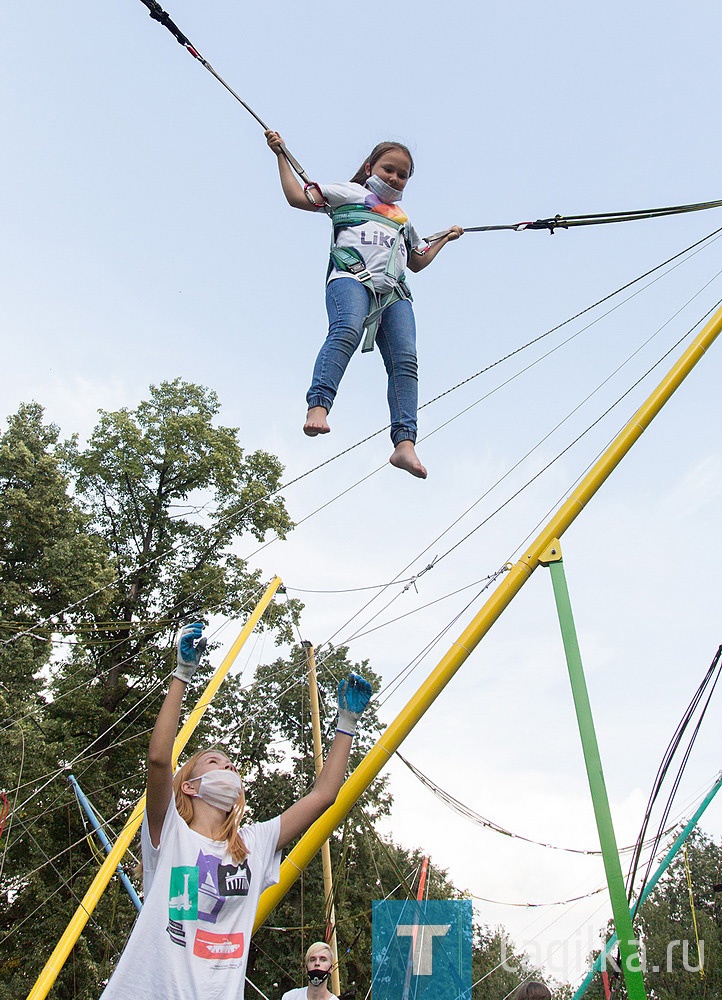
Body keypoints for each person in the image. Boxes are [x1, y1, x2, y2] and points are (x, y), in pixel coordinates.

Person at [100, 622, 372, 1000]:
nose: (229, 767)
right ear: (190, 785)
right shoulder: (169, 833)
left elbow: (324, 795)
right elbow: (159, 759)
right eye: (214, 761)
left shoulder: (255, 843)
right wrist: (181, 674)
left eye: (231, 765)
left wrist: (346, 724)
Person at [266, 131, 463, 479]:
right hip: (351, 277)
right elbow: (298, 197)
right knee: (347, 329)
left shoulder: (403, 219)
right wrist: (281, 155)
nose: (395, 178)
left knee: (406, 361)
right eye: (389, 169)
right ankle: (319, 406)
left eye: (402, 175)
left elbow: (416, 261)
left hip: (394, 293)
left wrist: (444, 238)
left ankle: (404, 444)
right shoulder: (349, 192)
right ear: (371, 166)